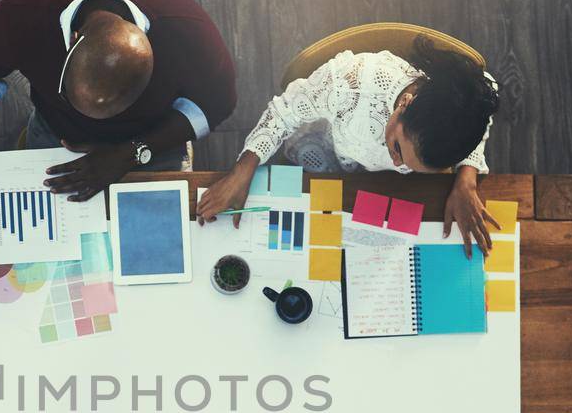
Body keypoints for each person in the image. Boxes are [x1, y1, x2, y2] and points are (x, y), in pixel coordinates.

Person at [0, 0, 237, 219]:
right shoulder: (25, 16)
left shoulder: (189, 31)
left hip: (151, 144)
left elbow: (216, 104)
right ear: (74, 40)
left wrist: (130, 152)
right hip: (55, 135)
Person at [197, 35, 502, 254]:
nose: (397, 164)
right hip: (329, 152)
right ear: (404, 105)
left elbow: (482, 109)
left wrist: (466, 179)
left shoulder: (470, 100)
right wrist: (240, 172)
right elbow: (282, 113)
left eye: (410, 165)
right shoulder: (348, 83)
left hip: (385, 195)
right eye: (397, 148)